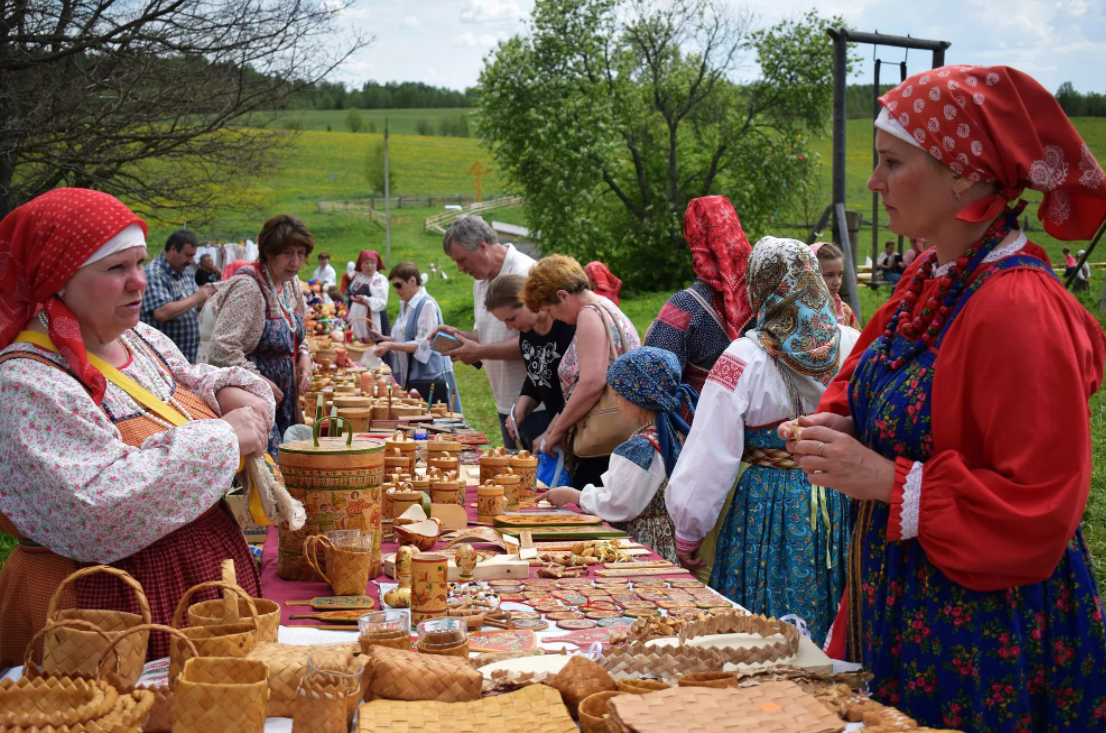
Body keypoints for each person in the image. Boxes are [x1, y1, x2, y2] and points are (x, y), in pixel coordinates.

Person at [785, 65, 1106, 731]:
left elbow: (1040, 506)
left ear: (962, 172)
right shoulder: (930, 281)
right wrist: (835, 420)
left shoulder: (1016, 307)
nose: (873, 182)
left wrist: (882, 478)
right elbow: (868, 373)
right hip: (905, 603)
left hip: (984, 635)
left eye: (892, 161)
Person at [0, 188, 273, 666]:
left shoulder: (138, 338)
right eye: (115, 268)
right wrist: (226, 437)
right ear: (58, 278)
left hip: (191, 587)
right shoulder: (24, 384)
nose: (139, 283)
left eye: (140, 263)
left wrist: (232, 389)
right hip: (107, 616)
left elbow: (189, 378)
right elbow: (96, 509)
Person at [666, 237, 859, 645]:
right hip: (842, 494)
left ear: (758, 286)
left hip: (768, 508)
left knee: (761, 622)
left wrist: (688, 529)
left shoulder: (744, 356)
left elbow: (710, 452)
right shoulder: (851, 342)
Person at [546, 347, 697, 563]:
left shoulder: (641, 448)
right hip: (663, 535)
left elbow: (619, 505)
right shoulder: (670, 434)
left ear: (636, 398)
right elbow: (636, 490)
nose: (616, 402)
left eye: (618, 395)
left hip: (641, 542)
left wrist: (575, 496)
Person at [522, 255, 640, 488]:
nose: (554, 318)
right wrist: (554, 427)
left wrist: (558, 430)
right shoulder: (605, 307)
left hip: (603, 439)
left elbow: (591, 383)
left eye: (550, 310)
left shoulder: (589, 315)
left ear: (563, 296)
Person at [209, 214, 314, 457]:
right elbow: (221, 348)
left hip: (285, 399)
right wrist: (259, 381)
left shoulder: (291, 285)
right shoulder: (248, 287)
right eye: (287, 253)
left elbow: (298, 334)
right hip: (252, 403)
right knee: (266, 468)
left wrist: (304, 356)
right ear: (269, 251)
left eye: (300, 253)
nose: (295, 261)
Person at [438, 215, 535, 447]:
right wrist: (461, 338)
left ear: (483, 246)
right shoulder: (480, 283)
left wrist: (480, 350)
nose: (460, 269)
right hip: (504, 400)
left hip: (535, 403)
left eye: (462, 260)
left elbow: (534, 342)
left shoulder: (526, 273)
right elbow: (487, 336)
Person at [644, 196, 753, 395]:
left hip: (697, 421)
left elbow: (652, 380)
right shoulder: (761, 301)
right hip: (755, 420)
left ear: (694, 240)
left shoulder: (686, 307)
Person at [484, 273, 576, 452]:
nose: (509, 327)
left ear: (528, 301)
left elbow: (576, 389)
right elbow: (537, 376)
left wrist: (552, 431)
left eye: (511, 318)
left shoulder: (566, 326)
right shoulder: (528, 332)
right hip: (560, 425)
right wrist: (520, 408)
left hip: (580, 428)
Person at [372, 263, 461, 411]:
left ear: (412, 280)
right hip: (416, 374)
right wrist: (384, 339)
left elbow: (424, 343)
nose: (396, 290)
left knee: (437, 418)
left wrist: (390, 346)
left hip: (432, 375)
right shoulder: (406, 304)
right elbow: (404, 337)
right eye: (394, 286)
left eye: (399, 285)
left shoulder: (426, 305)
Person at [139, 229, 213, 363]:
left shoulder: (185, 271)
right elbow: (162, 312)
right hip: (162, 358)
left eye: (193, 256)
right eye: (188, 255)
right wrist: (196, 297)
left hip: (185, 355)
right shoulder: (154, 273)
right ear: (173, 249)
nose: (191, 261)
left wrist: (209, 296)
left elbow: (192, 304)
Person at [811, 242, 861, 329]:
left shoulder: (845, 312)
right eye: (829, 275)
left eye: (840, 274)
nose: (837, 282)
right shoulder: (796, 312)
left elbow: (858, 341)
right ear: (812, 275)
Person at [347, 250, 390, 340]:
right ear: (361, 265)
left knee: (371, 344)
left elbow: (382, 303)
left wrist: (366, 300)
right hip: (356, 318)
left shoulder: (379, 279)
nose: (369, 266)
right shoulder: (358, 277)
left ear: (376, 264)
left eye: (372, 263)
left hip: (372, 317)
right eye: (366, 263)